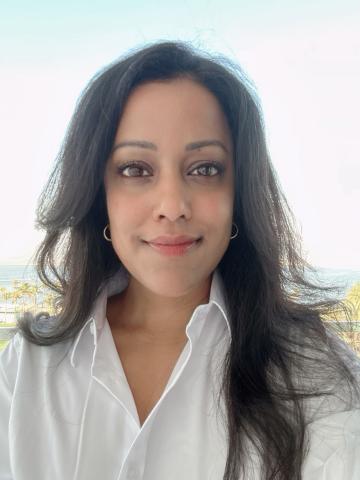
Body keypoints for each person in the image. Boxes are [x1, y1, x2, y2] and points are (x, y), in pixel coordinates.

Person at [0, 40, 359, 480]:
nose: (172, 205)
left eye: (205, 169)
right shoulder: (27, 370)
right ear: (99, 196)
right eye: (136, 169)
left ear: (238, 195)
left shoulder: (318, 380)